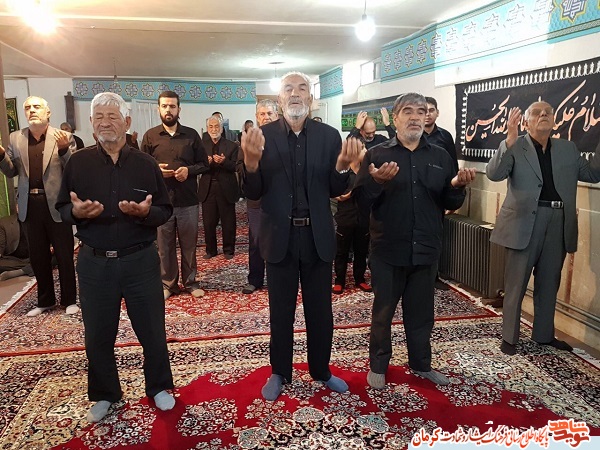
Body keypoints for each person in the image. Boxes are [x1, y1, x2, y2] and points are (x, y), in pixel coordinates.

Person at [241, 71, 362, 401]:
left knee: (320, 312)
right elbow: (253, 192)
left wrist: (342, 166)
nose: (295, 93)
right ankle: (279, 371)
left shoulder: (328, 137)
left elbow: (335, 190)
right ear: (280, 99)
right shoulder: (262, 136)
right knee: (280, 313)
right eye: (288, 89)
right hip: (279, 237)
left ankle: (321, 370)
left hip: (316, 237)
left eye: (302, 88)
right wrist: (250, 163)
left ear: (311, 98)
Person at [55, 92, 175, 423]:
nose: (105, 123)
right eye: (99, 117)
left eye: (112, 116)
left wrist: (145, 213)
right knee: (98, 333)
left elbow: (165, 210)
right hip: (94, 263)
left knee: (152, 330)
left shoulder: (145, 164)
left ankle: (159, 387)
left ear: (127, 122)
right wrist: (77, 213)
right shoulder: (77, 163)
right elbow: (62, 207)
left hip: (140, 261)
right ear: (91, 123)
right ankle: (105, 394)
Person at [353, 93, 476, 389]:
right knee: (383, 313)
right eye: (407, 111)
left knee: (422, 315)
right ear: (394, 118)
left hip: (426, 248)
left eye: (420, 111)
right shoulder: (377, 155)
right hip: (388, 249)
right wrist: (377, 181)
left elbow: (449, 201)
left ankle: (421, 364)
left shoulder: (440, 156)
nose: (415, 117)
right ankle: (379, 365)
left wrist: (458, 186)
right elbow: (360, 201)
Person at [486, 101, 600, 356]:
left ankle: (544, 335)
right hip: (524, 222)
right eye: (537, 113)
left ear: (555, 120)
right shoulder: (516, 145)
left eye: (548, 112)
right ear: (526, 122)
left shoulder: (568, 149)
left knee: (549, 283)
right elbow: (494, 174)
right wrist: (508, 140)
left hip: (558, 221)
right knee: (516, 284)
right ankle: (509, 338)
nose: (544, 115)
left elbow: (593, 174)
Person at [0, 96, 78, 317]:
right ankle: (45, 300)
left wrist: (64, 150)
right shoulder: (16, 138)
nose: (31, 110)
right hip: (29, 206)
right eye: (27, 107)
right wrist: (1, 156)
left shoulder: (63, 137)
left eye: (36, 106)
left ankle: (69, 300)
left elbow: (74, 171)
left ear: (48, 112)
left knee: (64, 255)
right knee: (38, 256)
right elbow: (10, 172)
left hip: (57, 205)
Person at [141, 91, 209, 300]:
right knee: (164, 247)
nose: (168, 110)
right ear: (158, 109)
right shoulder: (150, 136)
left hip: (188, 200)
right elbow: (141, 167)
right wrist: (156, 171)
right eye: (164, 106)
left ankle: (191, 282)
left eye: (172, 106)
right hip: (162, 203)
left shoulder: (191, 135)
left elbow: (204, 164)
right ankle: (168, 284)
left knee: (189, 246)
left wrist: (189, 170)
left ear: (179, 109)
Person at [238, 99, 278, 294]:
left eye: (270, 113)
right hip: (256, 201)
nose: (266, 117)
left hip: (279, 200)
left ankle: (277, 278)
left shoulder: (284, 140)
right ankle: (255, 279)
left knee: (279, 240)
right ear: (257, 117)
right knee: (256, 241)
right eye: (262, 114)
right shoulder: (249, 140)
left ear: (277, 115)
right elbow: (242, 168)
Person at [198, 115, 240, 259]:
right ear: (207, 129)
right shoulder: (201, 146)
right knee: (208, 222)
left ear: (222, 129)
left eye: (217, 126)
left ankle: (229, 250)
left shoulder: (232, 145)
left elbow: (236, 166)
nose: (214, 129)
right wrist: (206, 163)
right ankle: (211, 250)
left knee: (228, 221)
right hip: (208, 187)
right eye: (211, 126)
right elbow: (197, 167)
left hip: (226, 187)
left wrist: (224, 162)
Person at [333, 143, 371, 294]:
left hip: (363, 216)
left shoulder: (367, 170)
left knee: (361, 250)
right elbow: (331, 189)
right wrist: (339, 196)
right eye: (363, 149)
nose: (366, 151)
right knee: (341, 250)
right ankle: (339, 280)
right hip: (345, 215)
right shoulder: (343, 170)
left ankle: (360, 279)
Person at [423, 97, 458, 171]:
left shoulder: (446, 136)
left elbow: (453, 164)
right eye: (424, 111)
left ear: (437, 113)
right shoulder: (413, 136)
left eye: (431, 110)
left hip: (442, 177)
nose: (428, 114)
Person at [0, 213, 34, 281]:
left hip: (36, 257)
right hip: (14, 260)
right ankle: (31, 268)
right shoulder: (3, 223)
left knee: (54, 258)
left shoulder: (41, 220)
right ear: (17, 208)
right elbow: (1, 246)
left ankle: (20, 272)